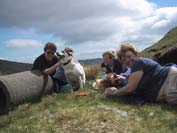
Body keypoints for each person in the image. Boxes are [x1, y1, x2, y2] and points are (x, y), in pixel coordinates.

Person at [105, 43, 177, 104]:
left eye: (129, 56)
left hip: (170, 79)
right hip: (166, 92)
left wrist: (115, 93)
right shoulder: (133, 72)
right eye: (124, 60)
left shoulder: (138, 62)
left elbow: (130, 88)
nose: (127, 60)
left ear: (136, 54)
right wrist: (124, 79)